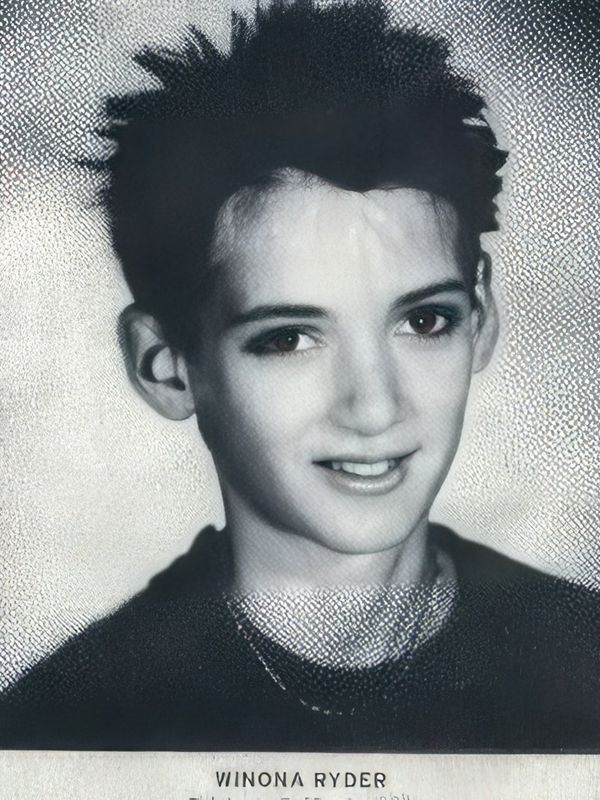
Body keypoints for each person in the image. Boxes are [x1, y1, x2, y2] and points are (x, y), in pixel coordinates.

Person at [1, 0, 599, 751]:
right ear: (167, 367)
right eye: (288, 339)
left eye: (424, 322)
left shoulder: (583, 666)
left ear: (480, 317)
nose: (375, 408)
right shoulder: (57, 732)